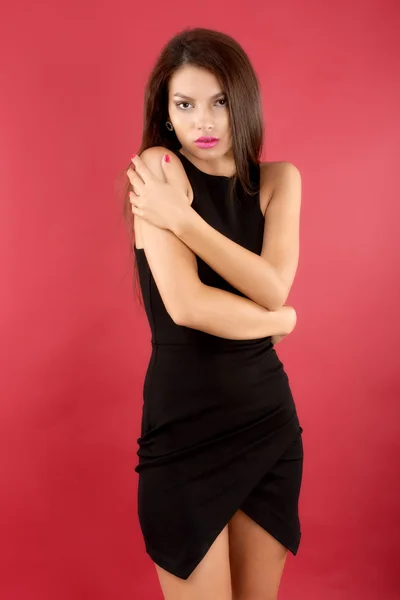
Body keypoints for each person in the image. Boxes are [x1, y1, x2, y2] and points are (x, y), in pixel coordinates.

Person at [122, 26, 303, 600]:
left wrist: (183, 222)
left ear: (243, 101)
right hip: (184, 429)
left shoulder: (280, 181)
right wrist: (281, 323)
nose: (204, 121)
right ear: (166, 113)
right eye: (185, 104)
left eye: (220, 101)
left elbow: (272, 286)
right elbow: (190, 306)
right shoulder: (160, 170)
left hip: (266, 423)